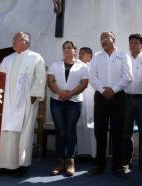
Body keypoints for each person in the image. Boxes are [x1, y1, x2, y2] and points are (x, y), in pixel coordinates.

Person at [0, 32, 46, 177]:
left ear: (26, 42)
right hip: (8, 102)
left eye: (17, 39)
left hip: (26, 102)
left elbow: (41, 77)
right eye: (14, 39)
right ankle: (5, 165)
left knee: (24, 134)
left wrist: (34, 96)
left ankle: (22, 166)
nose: (14, 41)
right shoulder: (7, 59)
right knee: (6, 132)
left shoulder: (35, 57)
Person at [87, 31, 132, 177]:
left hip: (118, 97)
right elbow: (92, 76)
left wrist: (114, 89)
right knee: (99, 131)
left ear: (114, 40)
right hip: (100, 97)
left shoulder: (123, 55)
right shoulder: (97, 57)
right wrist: (102, 90)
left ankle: (117, 166)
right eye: (101, 38)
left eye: (106, 37)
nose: (103, 40)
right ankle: (99, 164)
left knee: (117, 131)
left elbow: (128, 77)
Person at [47, 41, 88, 176]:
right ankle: (59, 161)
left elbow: (84, 84)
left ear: (75, 50)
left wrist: (69, 94)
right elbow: (50, 81)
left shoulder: (82, 66)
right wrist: (60, 93)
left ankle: (70, 161)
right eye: (64, 48)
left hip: (74, 102)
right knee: (60, 132)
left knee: (70, 132)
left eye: (69, 48)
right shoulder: (55, 64)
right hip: (57, 101)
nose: (66, 50)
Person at [119, 34, 142, 178]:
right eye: (131, 43)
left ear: (141, 45)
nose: (133, 45)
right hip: (127, 99)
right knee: (126, 132)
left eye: (136, 43)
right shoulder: (124, 59)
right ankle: (126, 162)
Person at [76, 47, 97, 158]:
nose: (80, 55)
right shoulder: (76, 66)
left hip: (91, 100)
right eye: (80, 53)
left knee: (92, 126)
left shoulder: (93, 66)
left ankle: (93, 153)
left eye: (83, 53)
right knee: (79, 126)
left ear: (89, 55)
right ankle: (80, 153)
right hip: (79, 99)